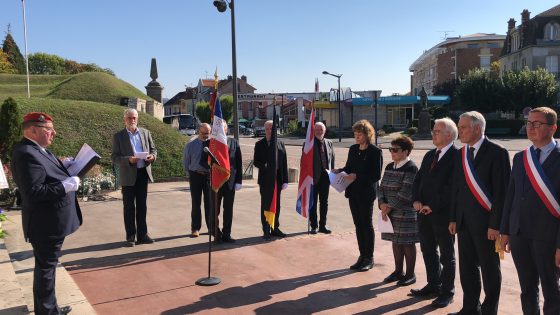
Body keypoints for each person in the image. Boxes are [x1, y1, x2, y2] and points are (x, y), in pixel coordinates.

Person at [11, 112, 80, 315]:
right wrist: (66, 186)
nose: (54, 133)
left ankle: (50, 307)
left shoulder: (36, 149)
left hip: (49, 221)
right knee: (46, 270)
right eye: (48, 129)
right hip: (45, 224)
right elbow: (34, 192)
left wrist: (63, 165)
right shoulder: (26, 153)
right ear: (32, 130)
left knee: (46, 269)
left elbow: (45, 171)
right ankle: (47, 312)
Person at [449, 111, 510, 315]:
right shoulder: (461, 154)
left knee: (490, 270)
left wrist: (496, 224)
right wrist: (453, 218)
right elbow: (456, 189)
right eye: (459, 126)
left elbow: (502, 193)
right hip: (464, 223)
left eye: (463, 127)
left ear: (477, 128)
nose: (460, 131)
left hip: (487, 226)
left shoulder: (497, 152)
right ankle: (470, 308)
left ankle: (489, 310)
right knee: (467, 269)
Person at [500, 107, 560, 315]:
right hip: (519, 234)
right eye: (528, 123)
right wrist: (505, 230)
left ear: (553, 128)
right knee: (527, 289)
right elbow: (511, 196)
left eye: (537, 124)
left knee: (552, 290)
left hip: (549, 237)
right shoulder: (521, 158)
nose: (531, 128)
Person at [410, 118, 458, 308]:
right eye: (433, 130)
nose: (433, 133)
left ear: (449, 135)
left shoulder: (457, 156)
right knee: (428, 250)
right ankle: (433, 284)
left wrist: (433, 205)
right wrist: (415, 200)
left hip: (443, 215)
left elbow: (452, 188)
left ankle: (447, 292)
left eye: (437, 131)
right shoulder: (430, 155)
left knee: (447, 256)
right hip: (422, 212)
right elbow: (418, 180)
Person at [334, 119, 382, 272]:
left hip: (366, 193)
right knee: (358, 225)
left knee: (366, 225)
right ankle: (362, 256)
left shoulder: (375, 152)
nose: (357, 137)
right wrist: (339, 171)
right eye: (355, 134)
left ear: (367, 134)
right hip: (353, 192)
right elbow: (349, 168)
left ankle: (369, 257)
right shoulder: (353, 149)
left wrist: (357, 177)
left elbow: (375, 175)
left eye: (359, 134)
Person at [111, 108, 157, 247]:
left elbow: (154, 149)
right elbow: (114, 157)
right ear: (124, 119)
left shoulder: (145, 132)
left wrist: (152, 156)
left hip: (143, 173)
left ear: (137, 119)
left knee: (142, 206)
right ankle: (131, 236)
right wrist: (128, 160)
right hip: (128, 176)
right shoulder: (118, 136)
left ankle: (143, 235)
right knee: (129, 207)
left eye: (134, 118)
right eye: (130, 118)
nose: (132, 120)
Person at [379, 136, 419, 286]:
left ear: (406, 152)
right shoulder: (390, 166)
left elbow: (406, 192)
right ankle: (398, 271)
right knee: (395, 242)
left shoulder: (411, 168)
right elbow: (381, 187)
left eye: (395, 150)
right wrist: (382, 203)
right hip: (389, 212)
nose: (392, 152)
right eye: (391, 149)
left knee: (407, 243)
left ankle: (410, 274)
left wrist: (389, 207)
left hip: (405, 212)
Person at [253, 120, 289, 240]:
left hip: (277, 179)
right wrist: (266, 166)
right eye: (267, 128)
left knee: (276, 205)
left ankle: (275, 228)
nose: (269, 130)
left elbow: (284, 162)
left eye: (272, 128)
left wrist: (285, 180)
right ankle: (266, 229)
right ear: (265, 130)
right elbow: (256, 162)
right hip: (265, 180)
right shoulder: (260, 144)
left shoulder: (280, 144)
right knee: (266, 205)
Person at [214, 122, 243, 243]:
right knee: (214, 210)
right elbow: (205, 161)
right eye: (219, 128)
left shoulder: (234, 142)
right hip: (216, 182)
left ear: (226, 130)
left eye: (223, 128)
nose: (222, 130)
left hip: (230, 182)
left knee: (228, 209)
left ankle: (227, 234)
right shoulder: (212, 143)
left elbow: (238, 163)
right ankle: (216, 233)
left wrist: (239, 181)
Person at [183, 123, 212, 238]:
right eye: (204, 133)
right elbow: (186, 161)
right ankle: (195, 228)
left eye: (208, 133)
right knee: (196, 203)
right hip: (195, 175)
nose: (206, 135)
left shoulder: (212, 144)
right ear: (198, 131)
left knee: (209, 203)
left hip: (209, 176)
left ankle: (211, 227)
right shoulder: (190, 145)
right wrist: (188, 174)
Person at [308, 122, 335, 234]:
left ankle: (322, 225)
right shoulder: (308, 143)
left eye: (321, 130)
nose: (319, 132)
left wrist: (332, 174)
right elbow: (304, 163)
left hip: (325, 177)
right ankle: (314, 225)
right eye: (317, 130)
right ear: (314, 131)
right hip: (313, 177)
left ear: (324, 131)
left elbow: (332, 159)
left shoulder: (329, 143)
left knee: (324, 202)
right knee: (313, 203)